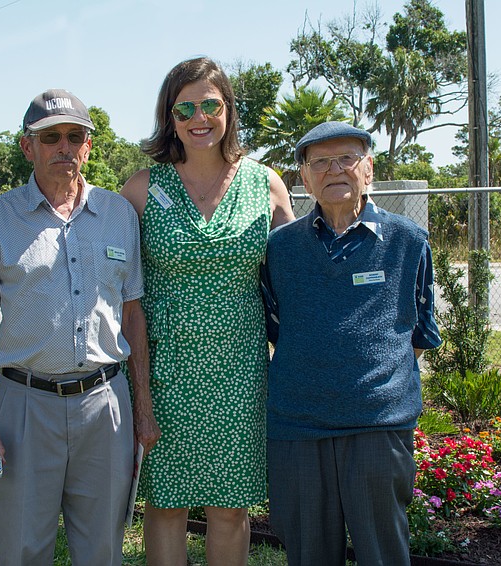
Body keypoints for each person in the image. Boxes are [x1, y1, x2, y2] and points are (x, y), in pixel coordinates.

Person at [0, 88, 159, 566]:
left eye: (74, 136)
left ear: (88, 146)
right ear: (28, 147)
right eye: (50, 138)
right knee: (21, 548)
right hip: (24, 408)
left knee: (103, 548)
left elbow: (132, 314)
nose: (63, 148)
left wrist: (143, 408)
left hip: (104, 405)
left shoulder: (118, 215)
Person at [119, 57, 295, 566]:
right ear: (169, 118)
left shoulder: (265, 185)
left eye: (211, 105)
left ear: (228, 110)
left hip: (239, 371)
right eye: (186, 108)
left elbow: (300, 274)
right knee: (167, 503)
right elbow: (107, 278)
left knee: (228, 508)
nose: (200, 118)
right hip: (164, 371)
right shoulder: (141, 188)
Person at [260, 121, 443, 566]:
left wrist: (369, 384)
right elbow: (276, 327)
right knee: (308, 555)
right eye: (319, 162)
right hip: (298, 428)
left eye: (346, 158)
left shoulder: (408, 241)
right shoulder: (280, 249)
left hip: (378, 427)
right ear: (303, 177)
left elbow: (419, 333)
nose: (334, 170)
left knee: (383, 554)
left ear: (368, 169)